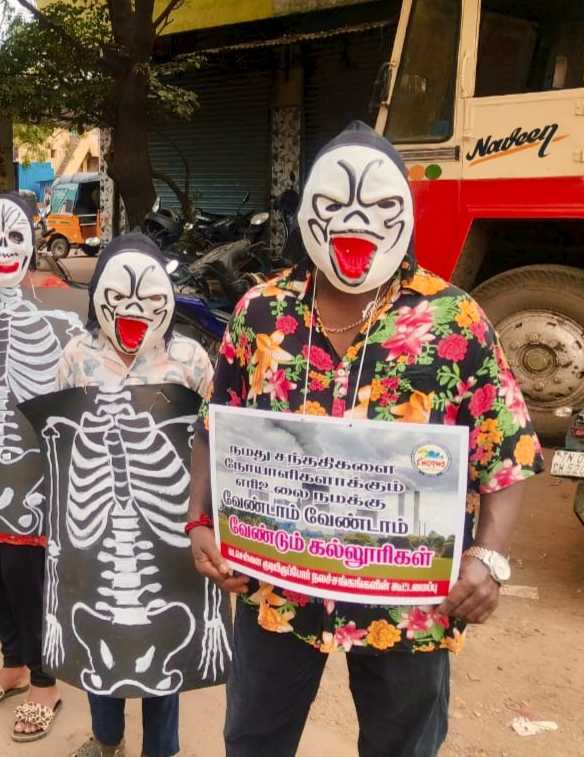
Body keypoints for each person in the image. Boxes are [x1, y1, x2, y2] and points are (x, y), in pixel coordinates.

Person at [187, 122, 544, 757]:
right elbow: (217, 425)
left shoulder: (453, 320)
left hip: (408, 606)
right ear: (305, 214)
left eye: (379, 205)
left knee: (402, 747)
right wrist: (200, 524)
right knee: (253, 742)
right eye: (333, 205)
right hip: (278, 591)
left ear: (405, 213)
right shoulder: (260, 313)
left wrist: (488, 559)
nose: (356, 219)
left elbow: (507, 452)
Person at [56, 232, 214, 757]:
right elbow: (61, 433)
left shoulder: (189, 359)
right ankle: (107, 739)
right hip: (95, 534)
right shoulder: (78, 353)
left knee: (164, 656)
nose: (133, 310)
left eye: (149, 297)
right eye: (119, 296)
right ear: (99, 293)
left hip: (170, 531)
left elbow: (213, 437)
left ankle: (160, 749)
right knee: (100, 655)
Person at [0, 194, 63, 742]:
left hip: (30, 479)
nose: (2, 249)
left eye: (14, 237)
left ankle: (46, 682)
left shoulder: (57, 305)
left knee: (28, 581)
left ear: (34, 241)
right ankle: (13, 664)